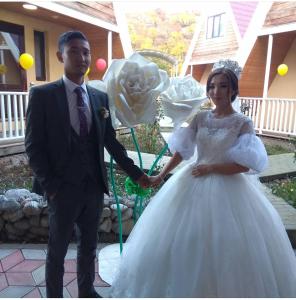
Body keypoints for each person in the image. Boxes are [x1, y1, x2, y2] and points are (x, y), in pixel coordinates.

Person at [109, 67, 296, 297]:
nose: (216, 91)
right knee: (183, 240)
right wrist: (160, 175)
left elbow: (245, 165)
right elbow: (181, 152)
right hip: (192, 180)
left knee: (226, 246)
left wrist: (212, 167)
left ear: (233, 90)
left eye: (223, 85)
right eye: (212, 86)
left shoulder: (243, 123)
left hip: (228, 188)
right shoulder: (200, 118)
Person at [25, 31, 149, 298]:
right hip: (62, 189)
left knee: (89, 246)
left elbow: (111, 143)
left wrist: (137, 174)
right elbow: (34, 147)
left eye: (86, 52)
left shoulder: (99, 98)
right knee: (57, 250)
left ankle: (86, 290)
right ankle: (55, 295)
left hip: (93, 187)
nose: (82, 57)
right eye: (74, 51)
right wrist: (52, 187)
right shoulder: (43, 95)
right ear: (61, 56)